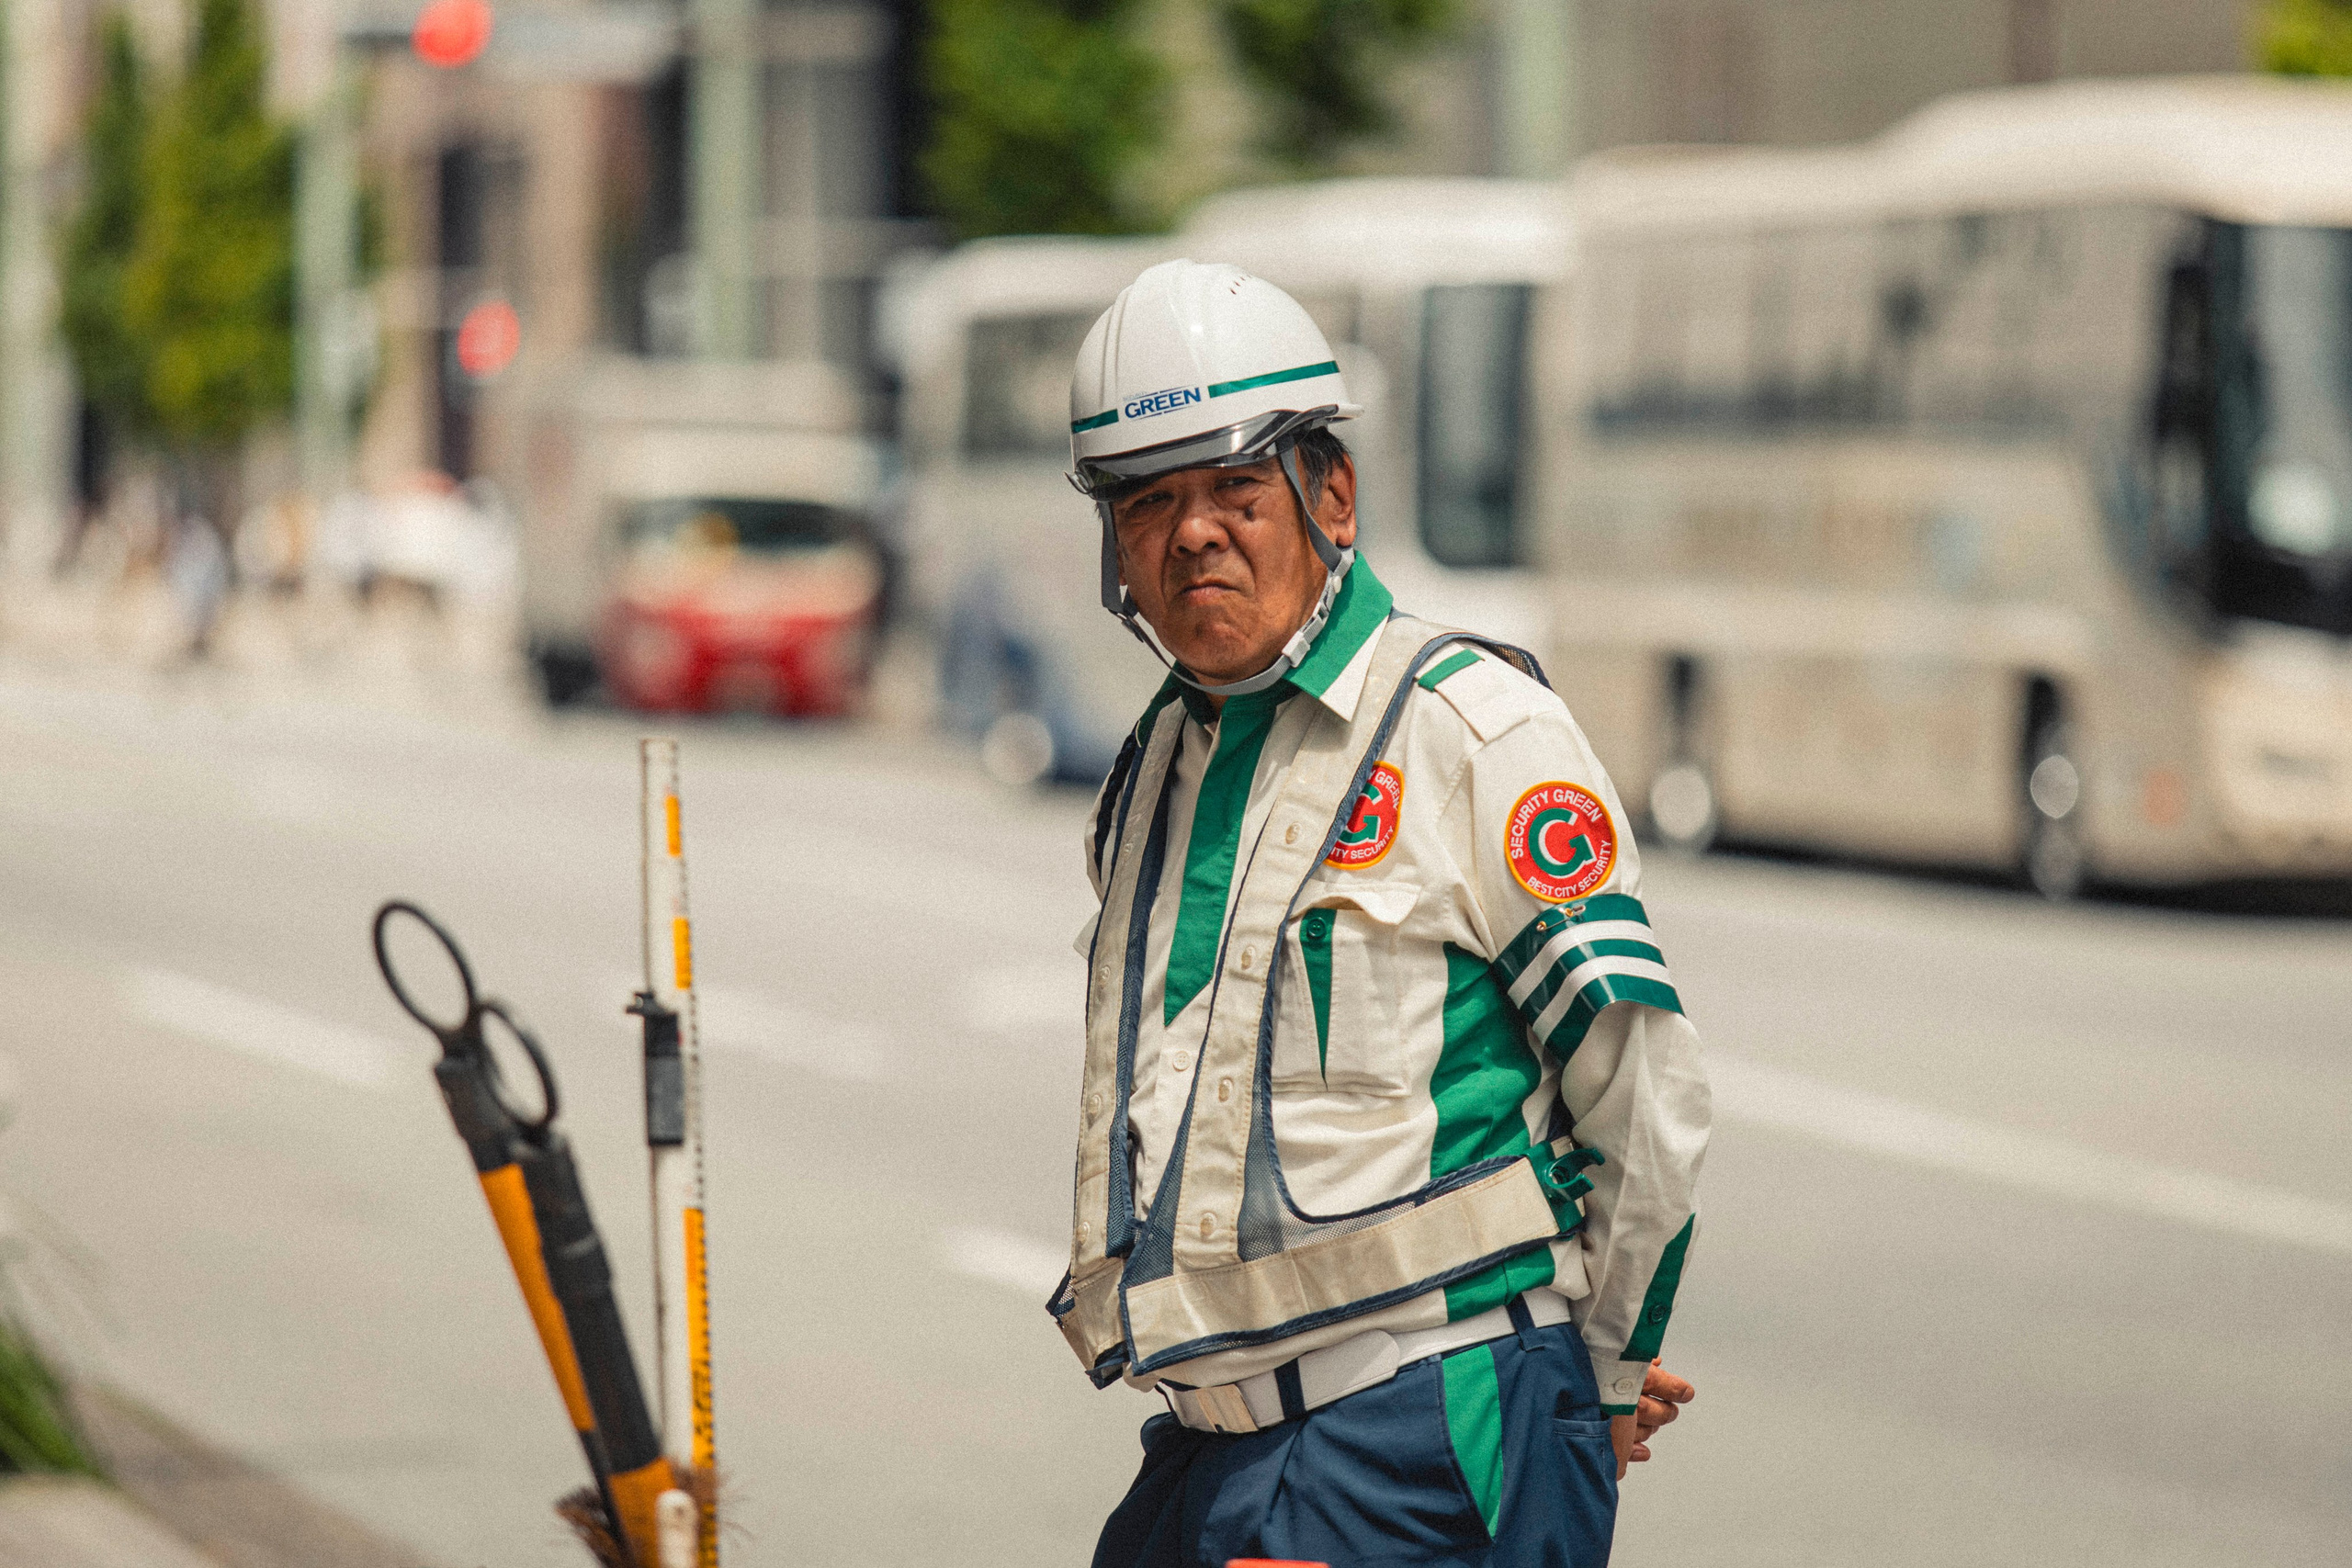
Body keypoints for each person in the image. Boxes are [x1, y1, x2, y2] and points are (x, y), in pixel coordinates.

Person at [1049, 261, 1712, 1568]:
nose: (1193, 536)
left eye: (1237, 489)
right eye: (1151, 503)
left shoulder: (1477, 728)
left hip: (1420, 1437)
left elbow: (1644, 1095)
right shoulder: (1151, 768)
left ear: (1329, 495)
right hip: (1210, 1444)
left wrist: (1603, 1374)